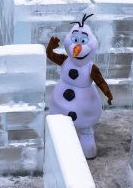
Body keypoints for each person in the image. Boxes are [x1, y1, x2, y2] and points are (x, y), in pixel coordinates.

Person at [46, 13, 113, 159]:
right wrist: (50, 47)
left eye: (83, 41)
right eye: (75, 40)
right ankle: (58, 149)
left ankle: (87, 149)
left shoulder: (90, 68)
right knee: (58, 125)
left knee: (85, 128)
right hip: (61, 102)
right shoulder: (65, 60)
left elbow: (100, 81)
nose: (78, 46)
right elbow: (51, 56)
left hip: (84, 103)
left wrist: (108, 94)